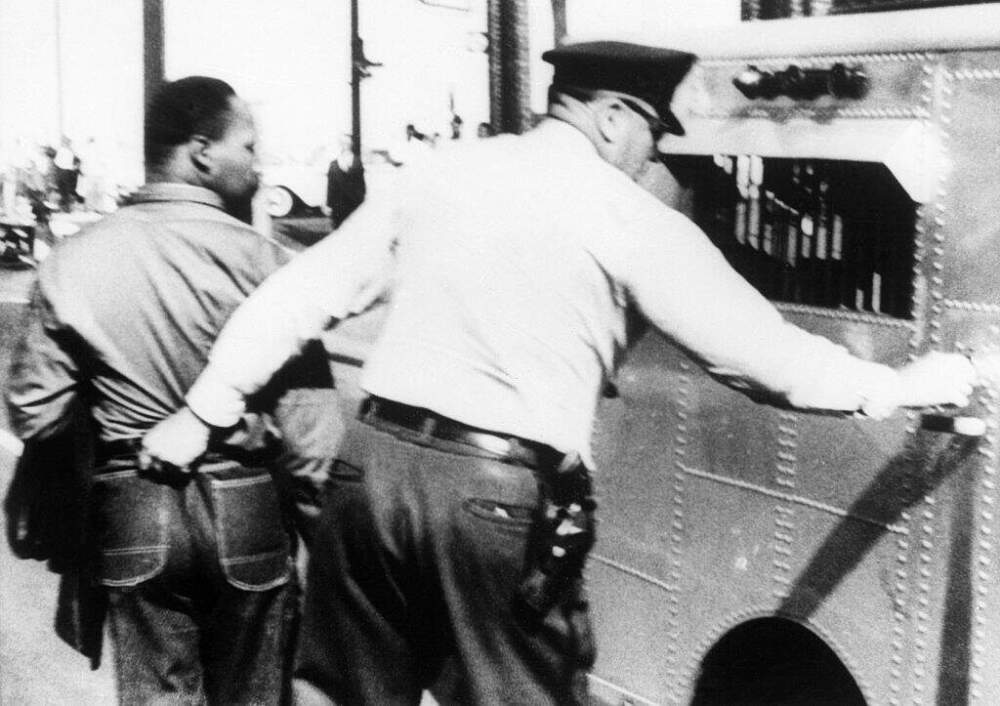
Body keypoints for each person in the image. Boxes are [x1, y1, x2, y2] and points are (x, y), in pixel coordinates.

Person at [140, 42, 977, 705]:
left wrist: (200, 412)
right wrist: (905, 386)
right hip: (492, 498)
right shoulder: (624, 216)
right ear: (614, 118)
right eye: (653, 134)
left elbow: (299, 295)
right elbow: (770, 360)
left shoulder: (434, 173)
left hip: (370, 471)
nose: (651, 158)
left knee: (341, 695)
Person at [6, 76, 340, 704]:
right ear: (202, 151)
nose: (258, 162)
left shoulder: (74, 259)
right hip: (248, 507)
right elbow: (311, 438)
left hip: (131, 507)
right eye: (249, 144)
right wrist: (326, 545)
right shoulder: (267, 265)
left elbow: (34, 410)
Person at [326, 137, 366, 229]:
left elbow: (361, 184)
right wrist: (329, 204)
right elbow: (331, 187)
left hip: (349, 204)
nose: (344, 146)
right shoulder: (335, 164)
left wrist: (329, 204)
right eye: (342, 144)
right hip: (343, 204)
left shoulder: (356, 162)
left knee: (349, 230)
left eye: (346, 144)